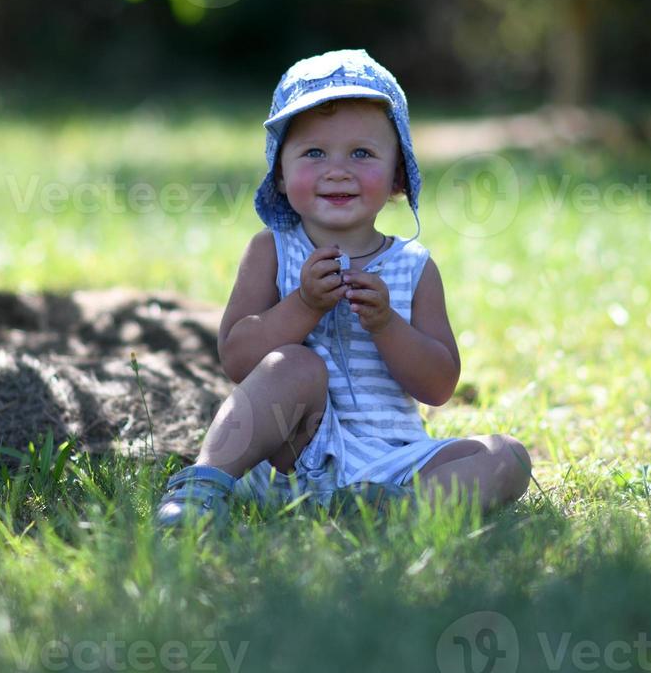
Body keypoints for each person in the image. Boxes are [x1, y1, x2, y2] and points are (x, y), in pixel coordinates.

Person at [155, 49, 532, 529]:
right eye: (314, 152)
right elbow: (237, 357)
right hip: (291, 456)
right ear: (281, 171)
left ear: (397, 173)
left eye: (362, 153)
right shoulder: (272, 250)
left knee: (508, 456)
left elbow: (438, 386)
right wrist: (303, 305)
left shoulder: (413, 267)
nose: (338, 169)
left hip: (395, 463)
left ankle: (394, 511)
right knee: (295, 365)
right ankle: (202, 486)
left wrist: (387, 324)